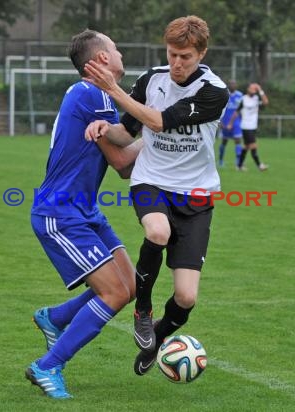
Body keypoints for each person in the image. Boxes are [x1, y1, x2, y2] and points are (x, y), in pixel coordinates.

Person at [84, 15, 228, 376]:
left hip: (196, 196)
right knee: (157, 232)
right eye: (173, 54)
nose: (177, 64)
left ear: (202, 54)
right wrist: (106, 129)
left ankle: (159, 338)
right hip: (152, 181)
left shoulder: (214, 91)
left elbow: (160, 121)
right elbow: (128, 131)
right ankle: (142, 310)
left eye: (186, 57)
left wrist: (113, 90)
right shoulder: (152, 79)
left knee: (186, 297)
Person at [26, 29, 143, 399]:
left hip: (84, 210)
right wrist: (166, 135)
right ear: (102, 59)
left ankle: (56, 317)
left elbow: (123, 161)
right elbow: (123, 163)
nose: (120, 51)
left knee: (132, 286)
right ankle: (47, 365)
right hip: (60, 213)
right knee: (111, 293)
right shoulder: (93, 95)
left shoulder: (97, 96)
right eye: (116, 47)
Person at [236, 82, 269, 171]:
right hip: (246, 126)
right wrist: (231, 123)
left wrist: (260, 90)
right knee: (253, 145)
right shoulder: (243, 99)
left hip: (253, 126)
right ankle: (259, 166)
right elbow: (237, 111)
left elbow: (266, 102)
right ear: (248, 89)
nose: (253, 90)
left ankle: (239, 166)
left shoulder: (256, 98)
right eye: (252, 88)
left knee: (246, 146)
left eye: (255, 89)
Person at [218, 79, 243, 167]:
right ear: (228, 85)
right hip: (225, 123)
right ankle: (220, 161)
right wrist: (219, 121)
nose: (233, 85)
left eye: (234, 84)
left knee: (238, 141)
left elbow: (241, 110)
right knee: (224, 141)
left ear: (236, 85)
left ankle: (238, 161)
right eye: (231, 84)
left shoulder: (240, 95)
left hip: (236, 123)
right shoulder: (224, 94)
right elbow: (219, 109)